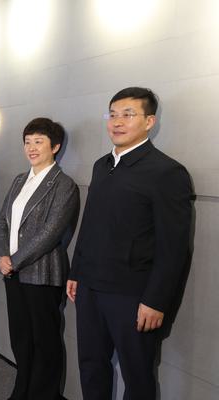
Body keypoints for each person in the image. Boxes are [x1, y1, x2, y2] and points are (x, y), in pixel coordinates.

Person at [67, 87, 193, 399]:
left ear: (149, 121)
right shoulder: (101, 165)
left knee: (137, 376)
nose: (117, 122)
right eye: (112, 115)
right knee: (91, 365)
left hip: (132, 295)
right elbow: (90, 224)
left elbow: (174, 247)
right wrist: (76, 271)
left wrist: (156, 300)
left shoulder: (166, 172)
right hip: (90, 288)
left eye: (128, 114)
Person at [0, 118, 79, 400]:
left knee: (45, 340)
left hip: (42, 273)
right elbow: (2, 221)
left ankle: (44, 395)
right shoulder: (20, 179)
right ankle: (22, 391)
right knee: (21, 337)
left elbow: (50, 233)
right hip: (13, 273)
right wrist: (1, 256)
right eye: (27, 142)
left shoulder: (64, 184)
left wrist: (14, 260)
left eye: (38, 141)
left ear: (55, 147)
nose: (31, 147)